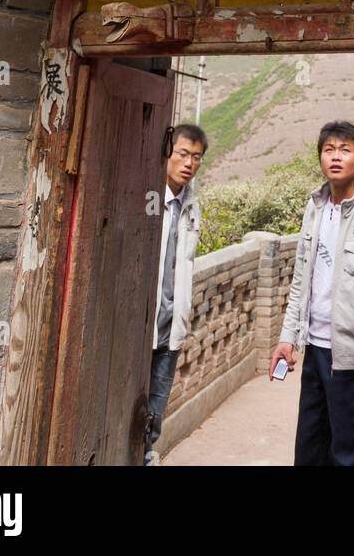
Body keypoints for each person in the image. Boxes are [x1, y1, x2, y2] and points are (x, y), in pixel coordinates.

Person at [268, 120, 354, 466]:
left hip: (352, 361)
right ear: (320, 158)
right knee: (308, 451)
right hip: (314, 351)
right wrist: (286, 339)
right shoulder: (314, 207)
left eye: (345, 150)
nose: (336, 157)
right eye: (329, 150)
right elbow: (301, 280)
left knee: (346, 456)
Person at [144, 123, 207, 466]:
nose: (189, 163)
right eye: (183, 154)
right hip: (140, 327)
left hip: (171, 329)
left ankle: (146, 457)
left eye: (196, 158)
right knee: (125, 407)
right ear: (167, 152)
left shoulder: (192, 206)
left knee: (155, 413)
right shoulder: (147, 199)